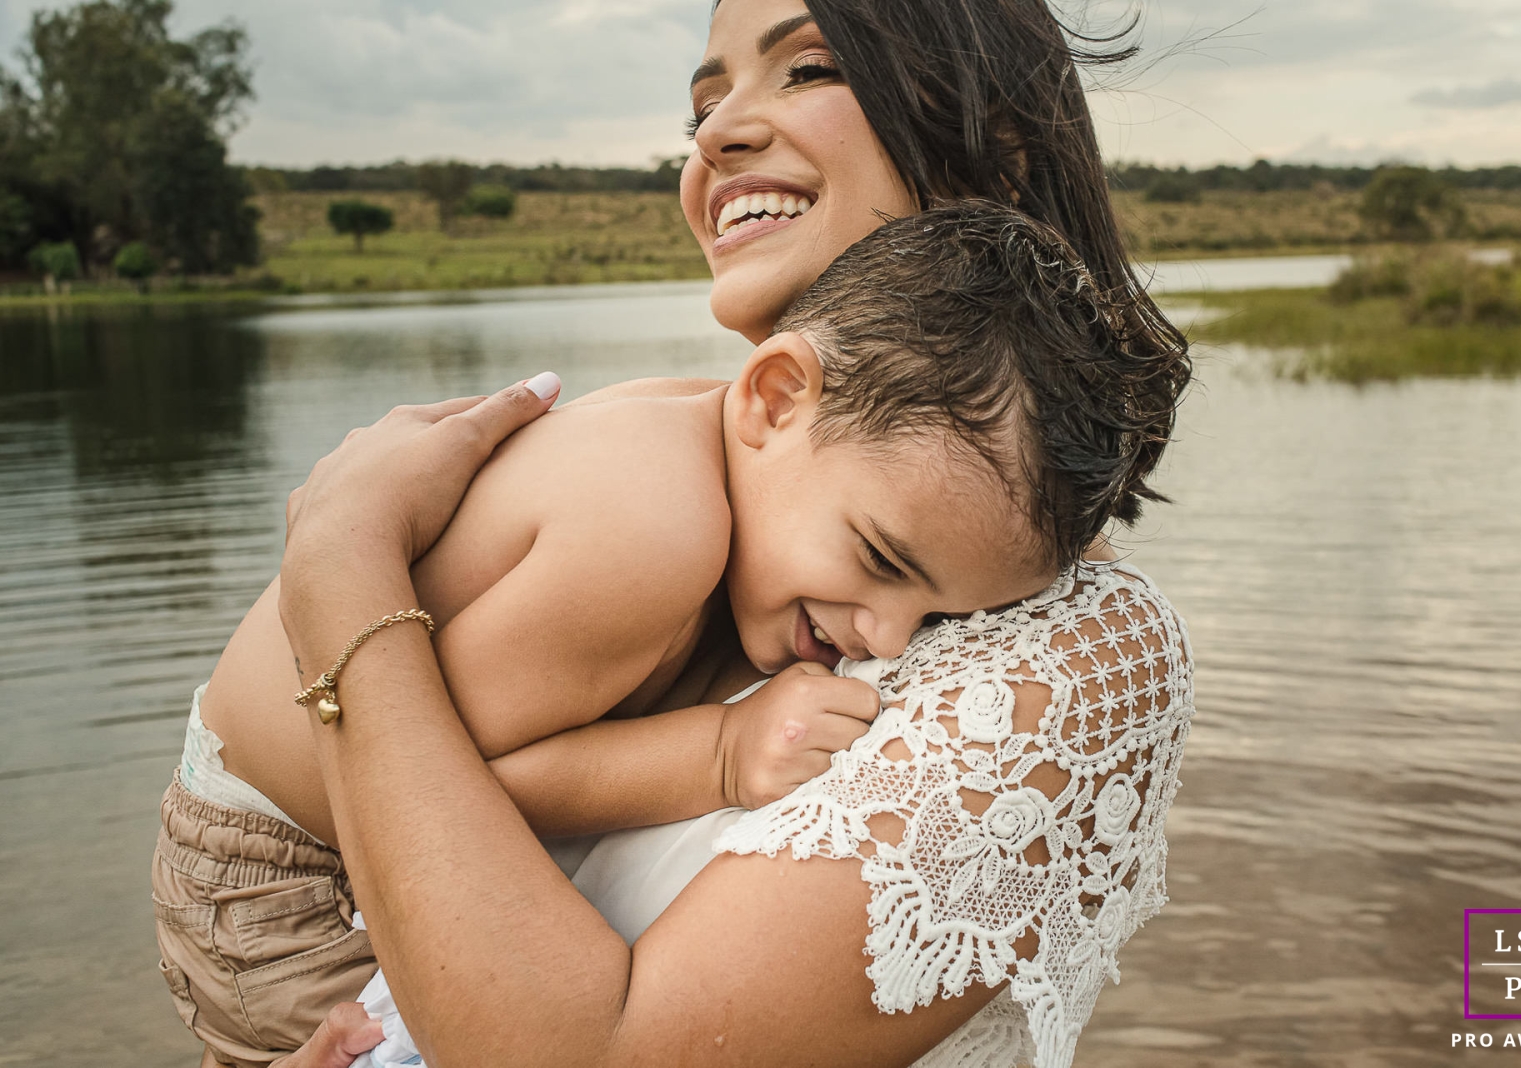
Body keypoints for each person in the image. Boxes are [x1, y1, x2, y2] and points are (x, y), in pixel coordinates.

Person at [270, 1, 1195, 1066]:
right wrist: (341, 554)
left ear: (996, 143)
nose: (715, 136)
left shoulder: (1067, 646)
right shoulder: (672, 497)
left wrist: (342, 566)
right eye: (704, 103)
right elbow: (394, 785)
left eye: (807, 70)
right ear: (774, 398)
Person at [151, 204, 1135, 1067]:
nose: (881, 634)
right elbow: (440, 780)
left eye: (941, 615)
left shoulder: (722, 449)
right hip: (290, 885)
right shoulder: (653, 530)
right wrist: (719, 753)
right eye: (880, 559)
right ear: (775, 396)